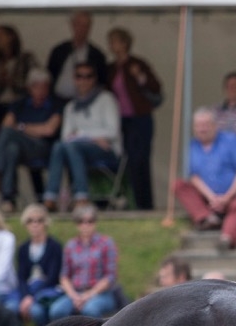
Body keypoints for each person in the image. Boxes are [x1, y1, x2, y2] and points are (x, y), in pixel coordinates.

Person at [174, 109, 236, 249]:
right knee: (179, 185)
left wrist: (228, 196)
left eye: (206, 124)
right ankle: (207, 218)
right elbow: (194, 177)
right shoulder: (192, 146)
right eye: (198, 125)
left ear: (215, 125)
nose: (202, 129)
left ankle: (227, 237)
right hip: (209, 199)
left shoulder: (232, 141)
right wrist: (212, 198)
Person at [44, 63, 121, 212]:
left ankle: (81, 197)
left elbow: (112, 131)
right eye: (79, 76)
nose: (83, 80)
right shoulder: (71, 106)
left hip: (107, 150)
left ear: (94, 79)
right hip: (81, 149)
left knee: (72, 146)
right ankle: (50, 198)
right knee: (59, 146)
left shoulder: (106, 99)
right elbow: (66, 136)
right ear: (74, 79)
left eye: (88, 76)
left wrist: (81, 135)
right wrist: (93, 136)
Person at [0, 68, 61, 211]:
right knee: (12, 149)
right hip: (22, 149)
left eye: (44, 86)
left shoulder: (55, 104)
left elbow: (49, 130)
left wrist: (22, 127)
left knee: (10, 135)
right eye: (37, 86)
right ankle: (8, 199)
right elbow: (6, 124)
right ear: (29, 87)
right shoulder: (20, 104)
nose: (41, 90)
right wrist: (34, 129)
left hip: (44, 148)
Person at [106, 27, 162, 210]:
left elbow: (155, 87)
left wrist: (140, 76)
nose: (112, 45)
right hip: (122, 121)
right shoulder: (111, 68)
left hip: (140, 119)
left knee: (141, 160)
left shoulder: (137, 63)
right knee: (128, 161)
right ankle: (132, 201)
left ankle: (146, 204)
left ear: (124, 43)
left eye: (115, 41)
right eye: (111, 42)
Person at [49, 204, 118, 320]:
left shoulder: (106, 243)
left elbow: (110, 276)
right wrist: (74, 296)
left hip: (101, 294)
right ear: (76, 224)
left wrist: (89, 294)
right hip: (75, 293)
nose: (85, 225)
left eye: (89, 221)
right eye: (81, 221)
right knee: (56, 310)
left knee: (89, 310)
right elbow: (64, 276)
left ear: (95, 223)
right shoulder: (71, 245)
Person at [13, 204, 64, 326]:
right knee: (11, 307)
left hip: (47, 291)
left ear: (45, 223)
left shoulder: (54, 246)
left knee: (37, 311)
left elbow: (53, 277)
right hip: (28, 291)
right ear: (26, 224)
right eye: (30, 221)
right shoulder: (23, 249)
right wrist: (26, 296)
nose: (35, 224)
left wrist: (31, 297)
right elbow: (21, 277)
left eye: (39, 220)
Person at [47, 11, 108, 103]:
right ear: (72, 25)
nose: (82, 29)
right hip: (57, 101)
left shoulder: (97, 55)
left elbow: (101, 81)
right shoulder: (59, 50)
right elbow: (49, 75)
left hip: (85, 102)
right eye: (79, 25)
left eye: (86, 26)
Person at [0, 24, 39, 123]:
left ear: (11, 37)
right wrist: (0, 82)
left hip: (21, 104)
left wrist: (13, 82)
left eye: (0, 35)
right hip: (2, 104)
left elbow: (34, 82)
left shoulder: (26, 59)